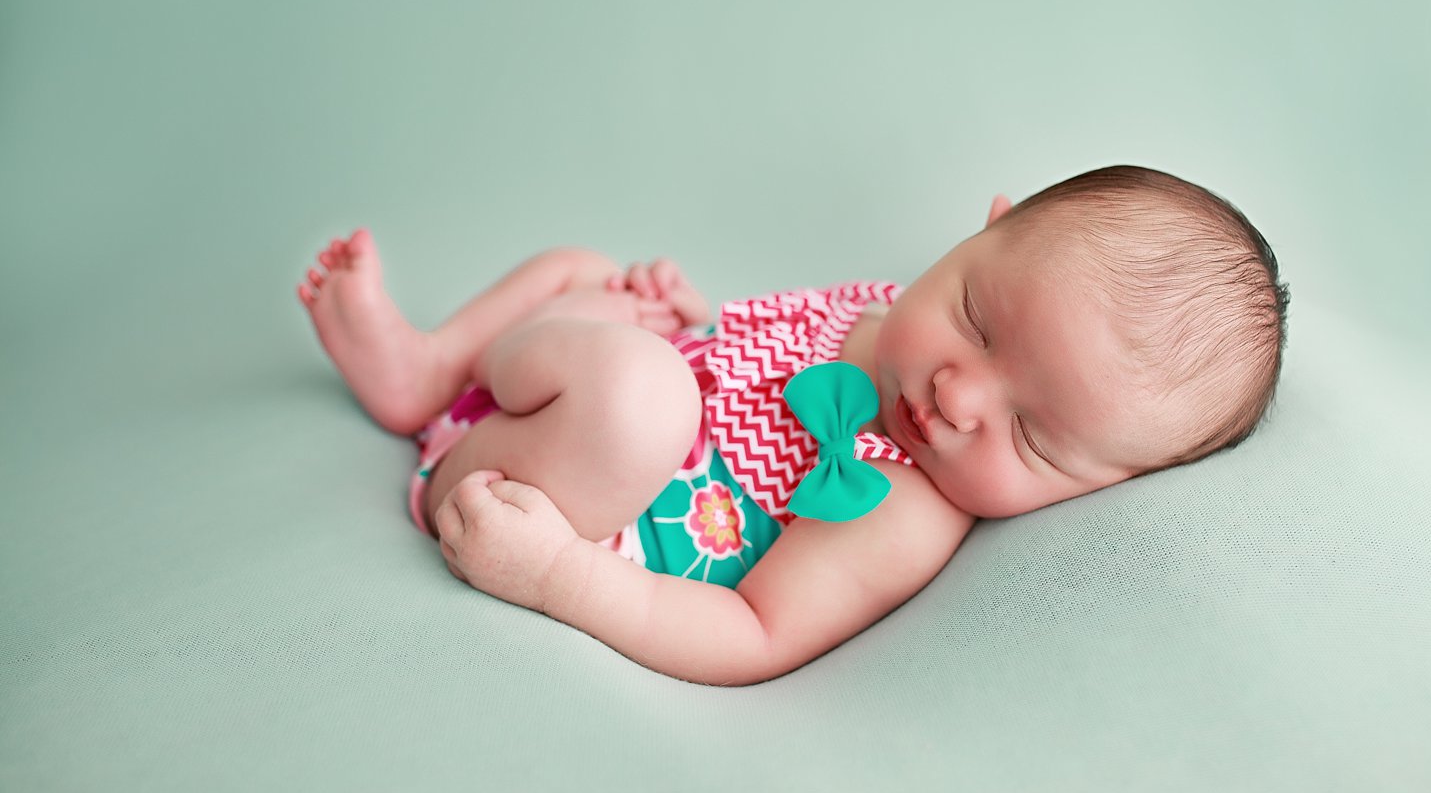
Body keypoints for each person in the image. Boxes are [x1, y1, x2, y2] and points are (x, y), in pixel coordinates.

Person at [296, 165, 1289, 686]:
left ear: (1095, 488)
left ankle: (466, 395)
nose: (955, 397)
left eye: (1028, 435)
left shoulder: (900, 509)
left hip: (529, 504)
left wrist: (556, 573)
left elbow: (753, 634)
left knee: (639, 399)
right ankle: (425, 370)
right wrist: (693, 319)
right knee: (584, 266)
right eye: (978, 321)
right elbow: (753, 372)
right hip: (570, 403)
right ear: (984, 230)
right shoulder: (884, 312)